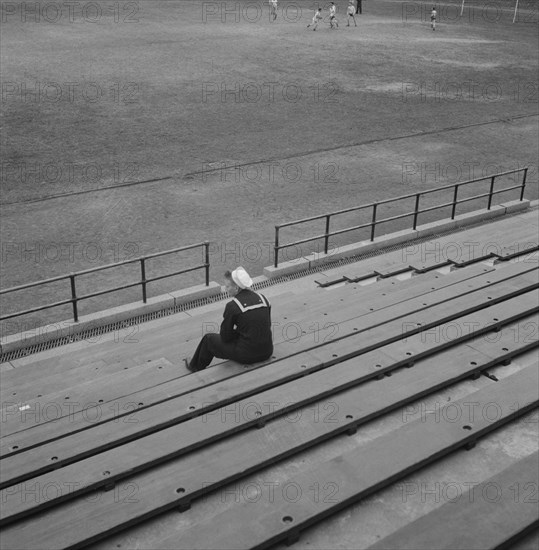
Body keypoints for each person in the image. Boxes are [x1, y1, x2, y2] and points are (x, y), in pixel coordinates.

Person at [183, 267, 273, 372]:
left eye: (227, 286)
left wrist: (235, 333)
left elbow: (225, 337)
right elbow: (266, 326)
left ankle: (194, 367)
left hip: (247, 356)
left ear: (236, 288)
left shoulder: (233, 306)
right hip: (267, 351)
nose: (225, 289)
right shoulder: (264, 299)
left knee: (208, 339)